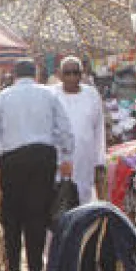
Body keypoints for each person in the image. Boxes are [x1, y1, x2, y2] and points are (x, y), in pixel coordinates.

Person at [0, 59, 75, 271]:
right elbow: (64, 128)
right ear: (36, 74)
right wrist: (67, 157)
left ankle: (13, 266)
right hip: (43, 158)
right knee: (37, 213)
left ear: (14, 75)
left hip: (13, 159)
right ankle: (35, 269)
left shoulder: (3, 97)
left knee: (12, 212)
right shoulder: (49, 95)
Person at [50, 56, 108, 204]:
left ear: (82, 74)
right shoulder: (51, 95)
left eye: (76, 72)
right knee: (59, 203)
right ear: (59, 74)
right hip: (58, 160)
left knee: (83, 201)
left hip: (84, 159)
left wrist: (99, 160)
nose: (72, 77)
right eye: (67, 73)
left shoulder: (91, 95)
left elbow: (98, 129)